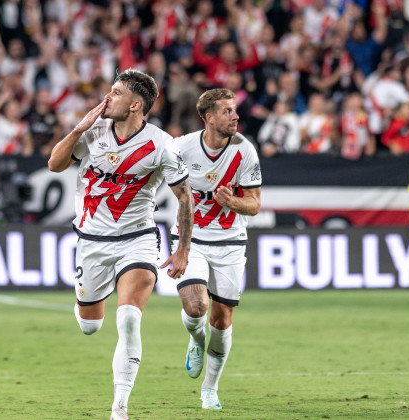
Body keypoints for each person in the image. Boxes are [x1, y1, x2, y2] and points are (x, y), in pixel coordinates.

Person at [47, 69, 193, 420]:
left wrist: (182, 248)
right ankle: (86, 299)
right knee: (90, 325)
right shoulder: (94, 130)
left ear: (135, 105)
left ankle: (120, 408)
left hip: (137, 240)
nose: (106, 97)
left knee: (128, 319)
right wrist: (79, 128)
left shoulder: (162, 145)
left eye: (115, 92)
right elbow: (54, 164)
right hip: (92, 242)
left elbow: (185, 199)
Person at [171, 88, 262, 410]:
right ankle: (196, 340)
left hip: (229, 242)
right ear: (208, 118)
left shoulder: (245, 151)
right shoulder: (181, 148)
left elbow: (254, 206)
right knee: (196, 307)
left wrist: (232, 201)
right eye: (227, 111)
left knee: (222, 319)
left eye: (235, 110)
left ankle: (210, 389)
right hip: (191, 238)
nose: (235, 116)